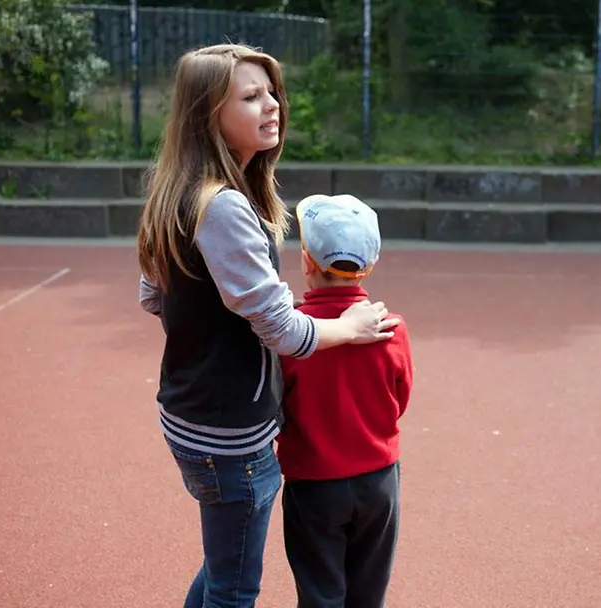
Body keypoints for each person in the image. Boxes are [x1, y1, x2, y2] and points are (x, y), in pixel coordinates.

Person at [134, 44, 401, 608]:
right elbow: (284, 332)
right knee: (234, 589)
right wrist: (349, 327)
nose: (272, 105)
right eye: (251, 97)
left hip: (191, 411)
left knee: (222, 564)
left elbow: (153, 295)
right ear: (209, 114)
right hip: (230, 431)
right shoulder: (224, 206)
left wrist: (208, 335)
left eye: (271, 92)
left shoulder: (174, 188)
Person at [276, 193, 414, 608]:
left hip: (314, 482)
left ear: (306, 262)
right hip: (378, 478)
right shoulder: (392, 327)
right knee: (368, 591)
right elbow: (400, 396)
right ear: (369, 266)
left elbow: (276, 405)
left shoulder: (292, 335)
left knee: (319, 591)